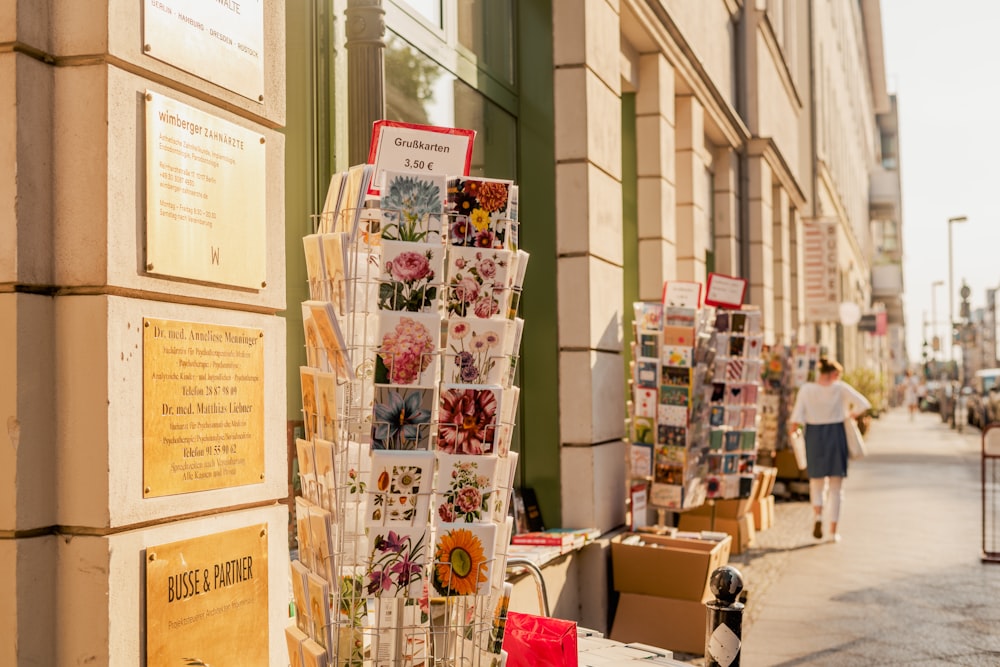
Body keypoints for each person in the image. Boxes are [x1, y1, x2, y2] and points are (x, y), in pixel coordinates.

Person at [788, 357, 871, 542]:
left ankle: (818, 516)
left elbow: (796, 419)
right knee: (836, 488)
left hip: (814, 437)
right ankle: (833, 532)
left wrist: (794, 435)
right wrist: (851, 414)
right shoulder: (839, 388)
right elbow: (864, 403)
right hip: (835, 435)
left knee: (816, 484)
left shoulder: (807, 390)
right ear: (834, 374)